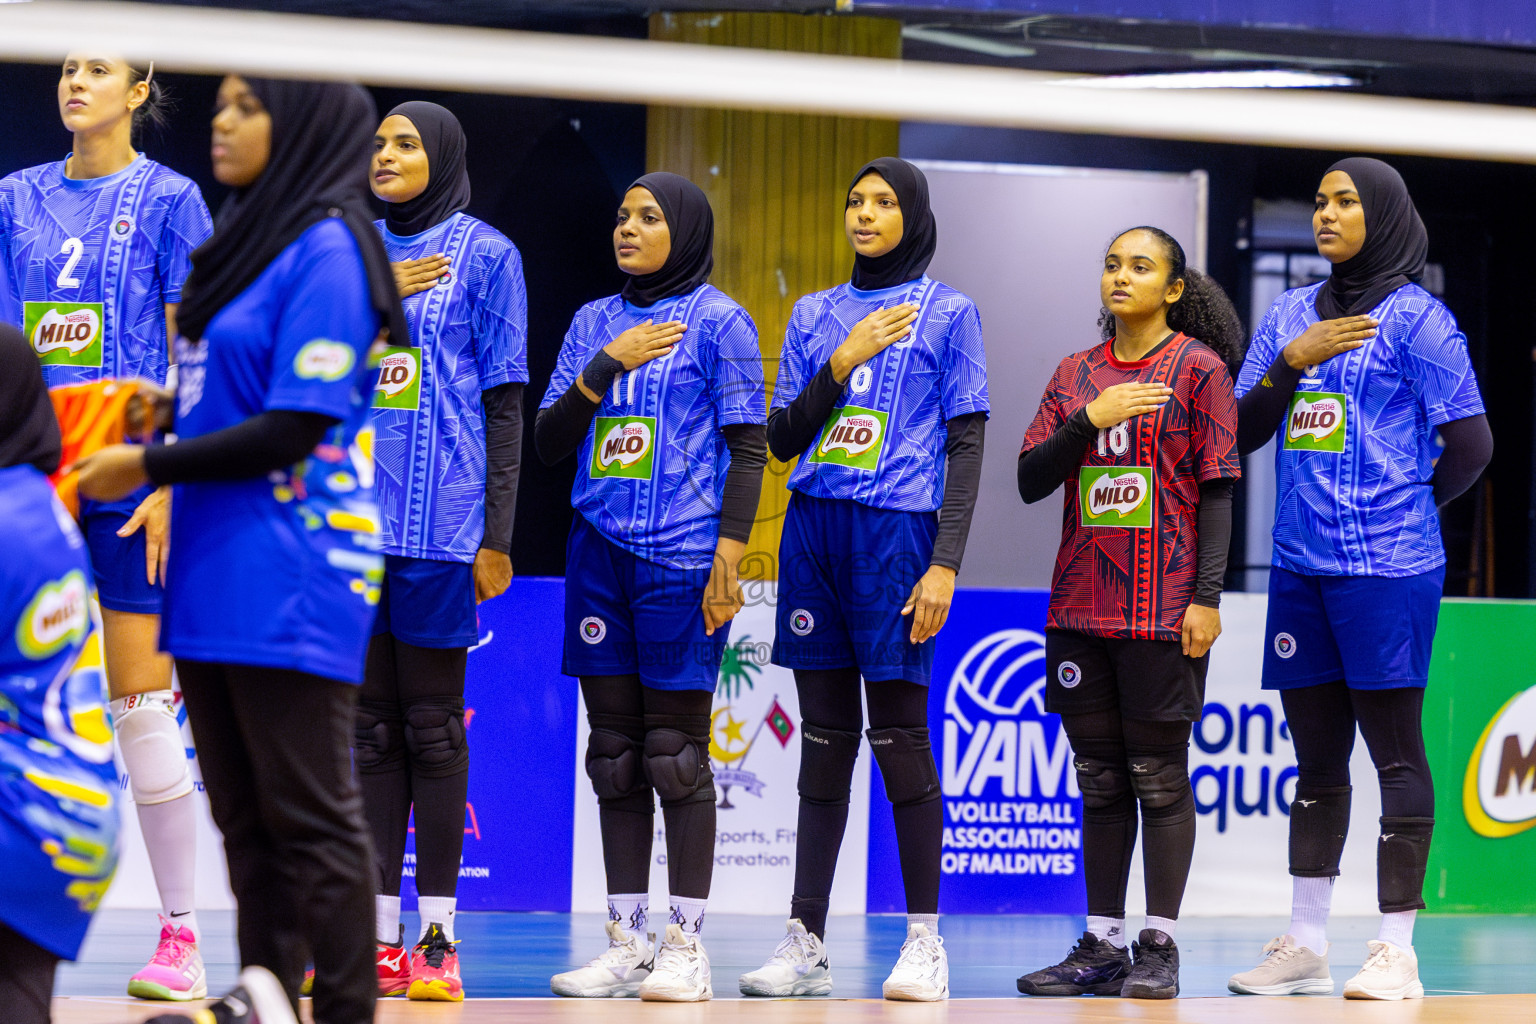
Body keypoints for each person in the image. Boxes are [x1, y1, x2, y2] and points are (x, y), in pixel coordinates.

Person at [73, 75, 409, 1024]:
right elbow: (217, 399)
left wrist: (145, 458)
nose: (221, 122)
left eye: (247, 106)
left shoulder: (333, 250)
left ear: (299, 126)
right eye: (219, 104)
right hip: (213, 569)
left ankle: (344, 1007)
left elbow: (295, 422)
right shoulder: (240, 251)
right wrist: (127, 417)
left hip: (294, 565)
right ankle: (262, 992)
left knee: (310, 818)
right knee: (246, 821)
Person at [1226, 158, 1491, 1001]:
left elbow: (1474, 446)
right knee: (1317, 763)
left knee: (1397, 755)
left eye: (1344, 202)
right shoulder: (1289, 317)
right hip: (1301, 569)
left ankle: (1395, 950)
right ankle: (1306, 942)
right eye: (1319, 201)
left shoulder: (1421, 323)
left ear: (1382, 215)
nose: (1325, 214)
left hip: (1389, 570)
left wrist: (1406, 511)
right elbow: (1240, 429)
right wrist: (1289, 363)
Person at [739, 157, 988, 1003]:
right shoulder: (815, 313)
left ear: (911, 215)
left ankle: (925, 941)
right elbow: (780, 439)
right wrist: (838, 362)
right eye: (855, 201)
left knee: (902, 740)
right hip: (815, 528)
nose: (865, 214)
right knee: (821, 745)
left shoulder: (951, 313)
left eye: (883, 203)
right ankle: (805, 940)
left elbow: (966, 444)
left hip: (897, 537)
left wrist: (945, 561)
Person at [0, 52, 213, 1002]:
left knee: (141, 711)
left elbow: (191, 347)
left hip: (130, 478)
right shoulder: (13, 198)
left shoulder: (172, 200)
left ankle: (181, 937)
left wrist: (173, 480)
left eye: (99, 70)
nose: (74, 82)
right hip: (27, 479)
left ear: (139, 94)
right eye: (67, 68)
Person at [537, 172, 767, 1003]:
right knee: (615, 757)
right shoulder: (592, 322)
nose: (626, 228)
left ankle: (687, 943)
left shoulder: (723, 323)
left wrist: (729, 556)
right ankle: (626, 939)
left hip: (681, 560)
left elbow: (749, 450)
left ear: (688, 230)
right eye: (621, 216)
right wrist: (606, 364)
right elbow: (551, 440)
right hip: (598, 554)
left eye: (647, 217)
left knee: (675, 757)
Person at [1013, 226, 1242, 1000]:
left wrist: (1206, 598)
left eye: (1141, 266)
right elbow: (1030, 480)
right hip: (1081, 608)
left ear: (1173, 289)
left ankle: (1158, 946)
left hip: (1163, 612)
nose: (1121, 275)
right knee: (1100, 779)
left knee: (1157, 776)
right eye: (1112, 263)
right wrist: (1091, 416)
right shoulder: (1074, 374)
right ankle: (1103, 945)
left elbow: (1218, 490)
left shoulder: (1199, 370)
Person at [357, 100, 527, 1002]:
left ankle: (436, 939)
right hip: (349, 530)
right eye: (379, 143)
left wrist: (497, 536)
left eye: (405, 143)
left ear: (445, 157)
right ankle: (373, 938)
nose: (384, 155)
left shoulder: (490, 256)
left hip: (442, 529)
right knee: (369, 735)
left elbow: (505, 405)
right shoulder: (347, 252)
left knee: (428, 726)